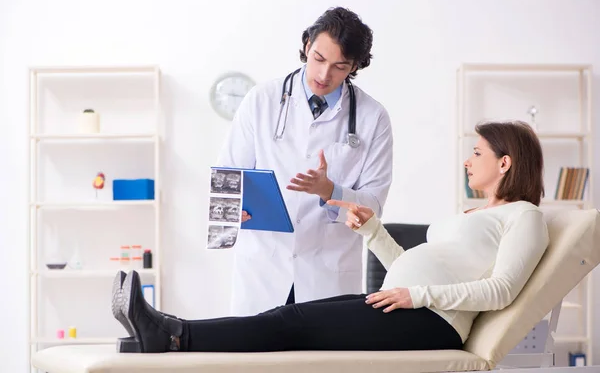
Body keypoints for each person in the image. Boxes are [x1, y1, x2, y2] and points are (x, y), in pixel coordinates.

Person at [112, 120, 549, 354]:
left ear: (506, 162)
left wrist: (418, 295)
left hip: (432, 321)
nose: (468, 162)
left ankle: (170, 336)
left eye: (477, 153)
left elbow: (502, 290)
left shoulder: (524, 217)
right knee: (286, 316)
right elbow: (404, 267)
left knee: (289, 324)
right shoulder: (472, 214)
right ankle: (162, 331)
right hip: (409, 305)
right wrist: (372, 230)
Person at [216, 7, 394, 316]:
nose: (325, 75)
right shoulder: (261, 100)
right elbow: (226, 179)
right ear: (307, 45)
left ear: (355, 66)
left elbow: (373, 208)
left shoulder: (372, 117)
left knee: (322, 364)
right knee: (255, 362)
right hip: (263, 270)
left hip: (328, 275)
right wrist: (233, 213)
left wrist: (331, 192)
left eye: (340, 67)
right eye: (319, 59)